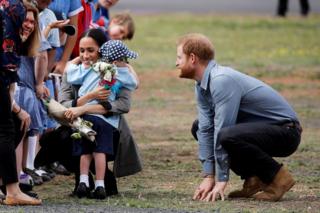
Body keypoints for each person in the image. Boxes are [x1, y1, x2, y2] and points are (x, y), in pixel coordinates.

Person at [176, 33, 302, 203]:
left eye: (179, 57)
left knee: (226, 135)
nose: (176, 63)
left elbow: (222, 130)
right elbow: (206, 129)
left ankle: (279, 179)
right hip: (262, 131)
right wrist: (209, 175)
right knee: (199, 127)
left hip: (286, 131)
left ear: (192, 58)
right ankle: (254, 179)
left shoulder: (221, 80)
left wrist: (221, 181)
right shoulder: (201, 86)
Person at [65, 30, 138, 199]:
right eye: (123, 59)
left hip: (84, 117)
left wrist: (76, 59)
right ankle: (100, 185)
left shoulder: (93, 67)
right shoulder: (120, 72)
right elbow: (134, 83)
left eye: (89, 50)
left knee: (85, 149)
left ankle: (83, 182)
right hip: (104, 120)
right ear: (117, 59)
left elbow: (70, 73)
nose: (124, 62)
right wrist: (127, 67)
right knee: (100, 151)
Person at [0, 0, 41, 205]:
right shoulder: (14, 6)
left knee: (14, 124)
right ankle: (13, 191)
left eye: (32, 22)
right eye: (24, 21)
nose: (28, 25)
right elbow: (7, 65)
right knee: (6, 129)